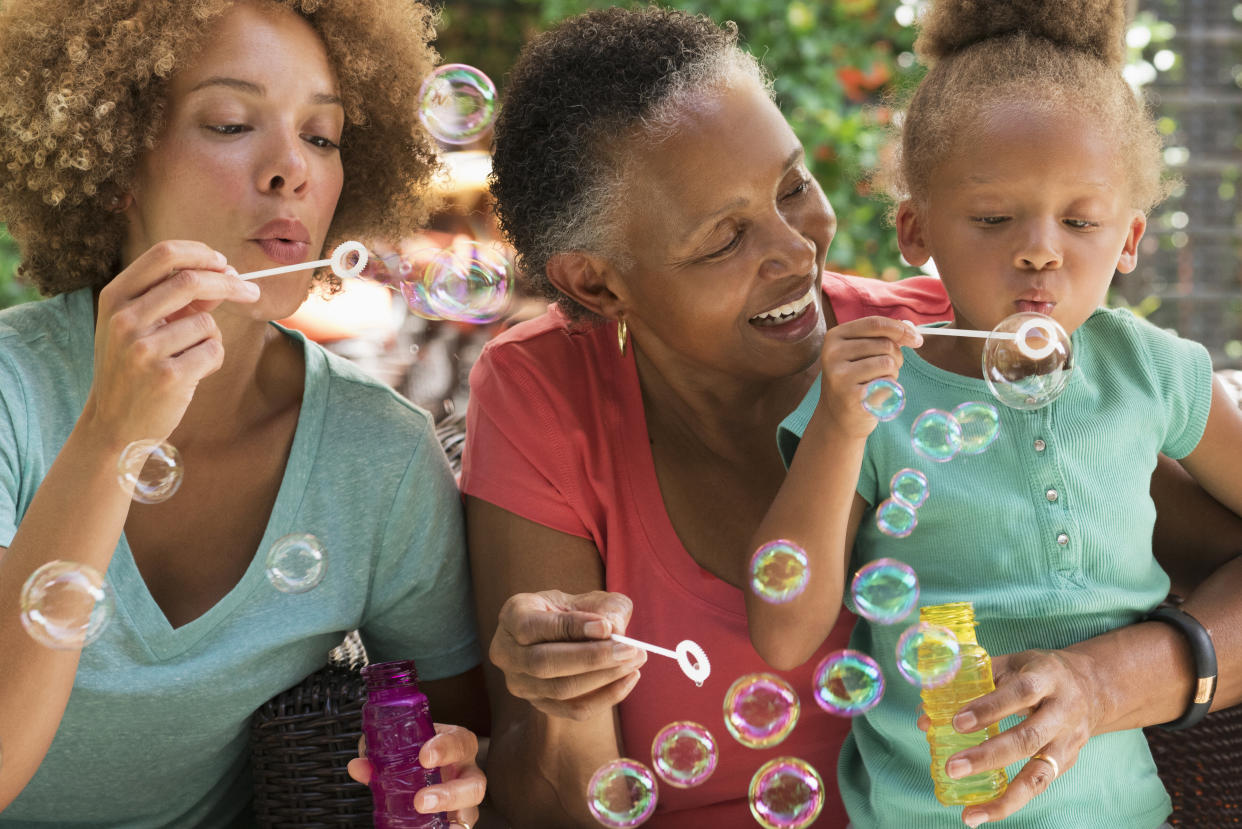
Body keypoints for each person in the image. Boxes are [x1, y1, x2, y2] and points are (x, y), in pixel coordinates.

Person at [461, 6, 1242, 828]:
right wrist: (562, 692)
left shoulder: (957, 350)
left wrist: (1102, 682)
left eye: (794, 187)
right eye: (725, 237)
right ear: (597, 283)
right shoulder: (543, 392)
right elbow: (556, 796)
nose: (799, 252)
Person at [751, 1, 1242, 827]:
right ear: (916, 229)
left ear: (1128, 239)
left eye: (1081, 221)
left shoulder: (1153, 373)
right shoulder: (876, 397)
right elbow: (784, 634)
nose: (1041, 248)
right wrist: (839, 424)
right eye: (991, 218)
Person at [0, 2, 487, 827]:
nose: (292, 168)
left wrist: (461, 772)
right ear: (117, 160)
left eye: (324, 136)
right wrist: (114, 432)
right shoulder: (15, 393)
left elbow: (466, 735)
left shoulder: (380, 454)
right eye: (230, 123)